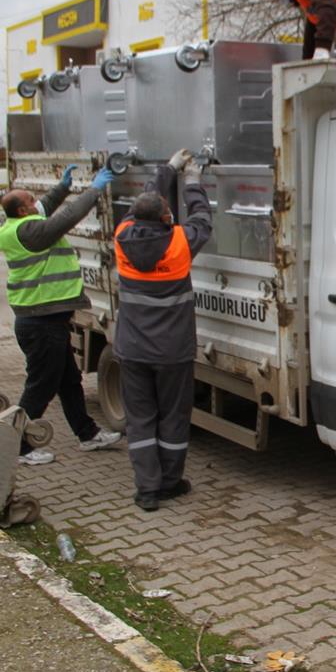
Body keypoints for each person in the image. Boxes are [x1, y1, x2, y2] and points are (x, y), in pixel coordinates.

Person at [0, 165, 122, 465]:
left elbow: (46, 206)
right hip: (40, 324)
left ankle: (87, 434)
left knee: (69, 381)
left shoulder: (17, 224)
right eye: (31, 200)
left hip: (47, 321)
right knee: (40, 387)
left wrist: (63, 188)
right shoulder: (30, 232)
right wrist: (94, 189)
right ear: (23, 210)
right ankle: (18, 446)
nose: (37, 201)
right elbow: (66, 218)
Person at [113, 150, 213, 511]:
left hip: (132, 350)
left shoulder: (123, 236)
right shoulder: (179, 242)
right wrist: (191, 180)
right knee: (172, 418)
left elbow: (140, 208)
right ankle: (170, 483)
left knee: (140, 420)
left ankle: (147, 491)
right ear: (167, 217)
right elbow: (203, 217)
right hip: (172, 352)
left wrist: (165, 169)